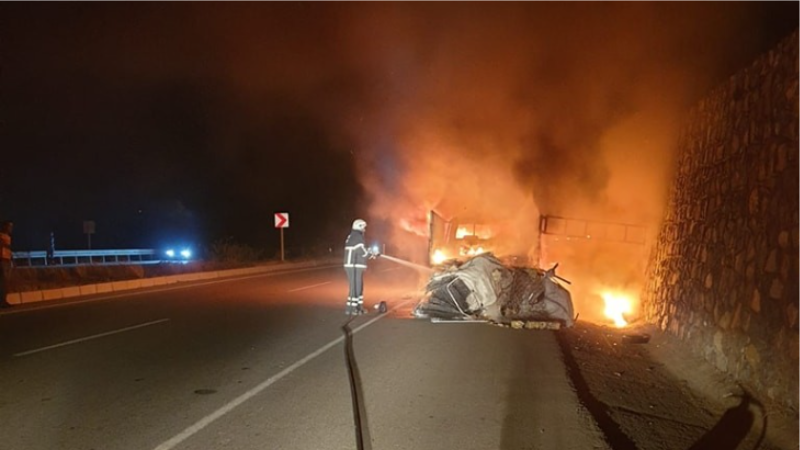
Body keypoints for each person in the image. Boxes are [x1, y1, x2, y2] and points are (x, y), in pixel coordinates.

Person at [343, 219, 373, 315]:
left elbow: (361, 250)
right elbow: (362, 252)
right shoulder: (357, 237)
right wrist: (370, 253)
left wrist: (370, 253)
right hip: (353, 265)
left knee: (359, 287)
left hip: (356, 265)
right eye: (363, 227)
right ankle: (351, 309)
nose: (364, 229)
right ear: (359, 227)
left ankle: (359, 307)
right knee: (355, 287)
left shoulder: (354, 236)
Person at [0, 221, 13, 308]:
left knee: (6, 282)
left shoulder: (8, 237)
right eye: (9, 226)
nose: (10, 229)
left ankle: (4, 300)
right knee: (3, 282)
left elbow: (9, 250)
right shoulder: (1, 235)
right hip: (2, 260)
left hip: (7, 260)